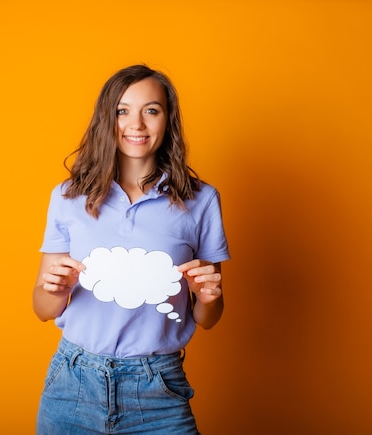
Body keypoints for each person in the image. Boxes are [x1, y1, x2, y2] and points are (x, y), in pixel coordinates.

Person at [33, 64, 230, 434]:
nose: (136, 124)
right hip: (73, 384)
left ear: (167, 120)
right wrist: (54, 290)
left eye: (151, 110)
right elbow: (42, 309)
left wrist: (207, 296)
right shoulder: (68, 197)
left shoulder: (201, 200)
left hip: (158, 387)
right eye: (123, 111)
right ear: (107, 119)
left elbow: (209, 316)